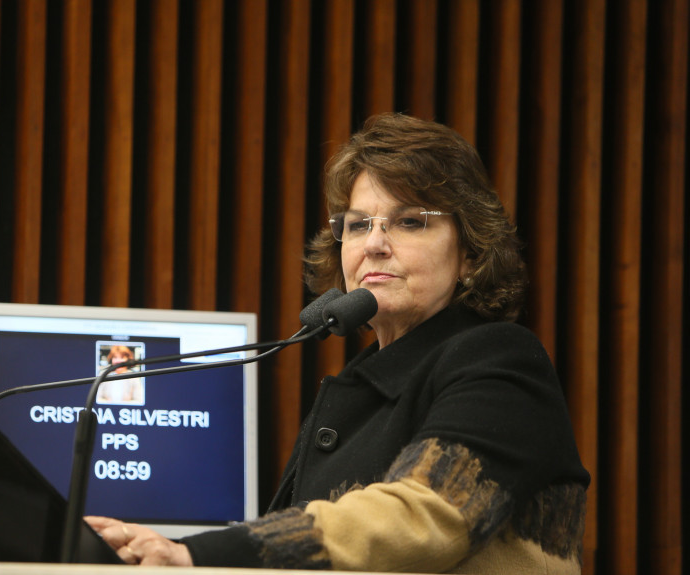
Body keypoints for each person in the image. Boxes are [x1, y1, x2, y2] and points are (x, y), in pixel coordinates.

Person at [86, 113, 590, 573]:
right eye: (357, 224)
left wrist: (196, 554)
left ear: (469, 252)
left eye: (410, 221)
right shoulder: (357, 389)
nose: (374, 242)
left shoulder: (502, 360)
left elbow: (425, 516)